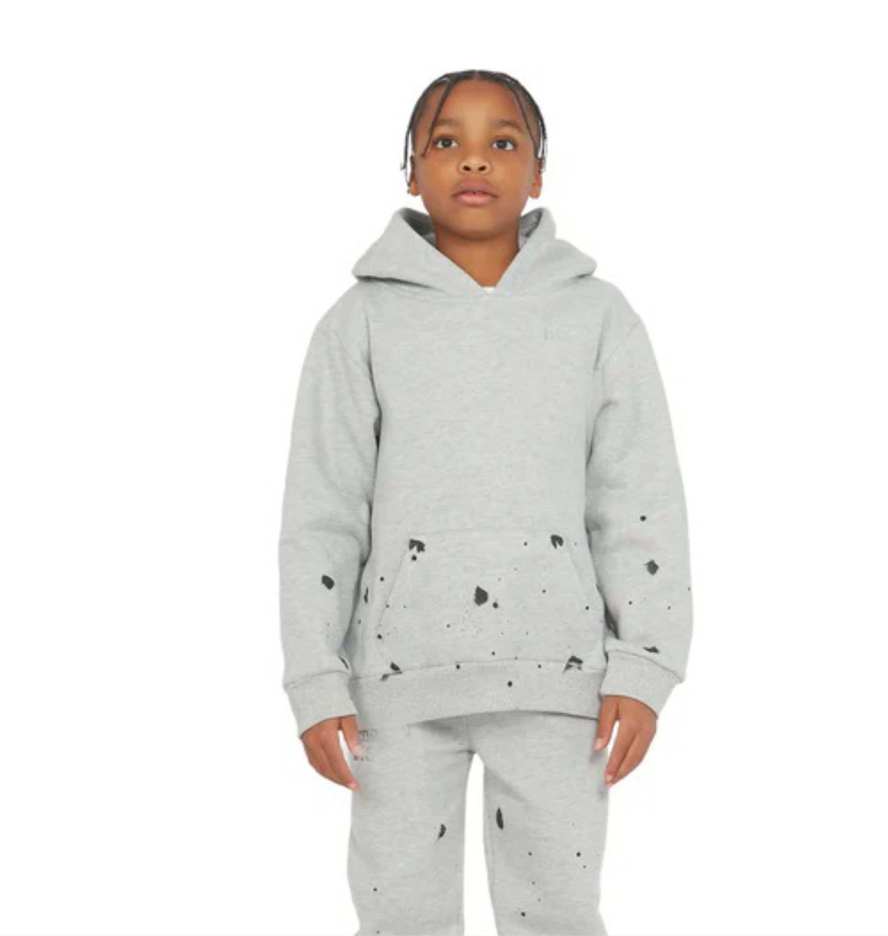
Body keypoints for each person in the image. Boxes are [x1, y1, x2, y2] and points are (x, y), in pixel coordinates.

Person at [277, 68, 694, 936]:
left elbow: (637, 497)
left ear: (538, 170)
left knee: (559, 914)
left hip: (560, 683)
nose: (475, 160)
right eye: (446, 141)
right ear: (411, 169)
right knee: (399, 914)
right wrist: (316, 678)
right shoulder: (358, 323)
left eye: (502, 141)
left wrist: (646, 666)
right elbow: (323, 511)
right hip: (395, 685)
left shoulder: (598, 318)